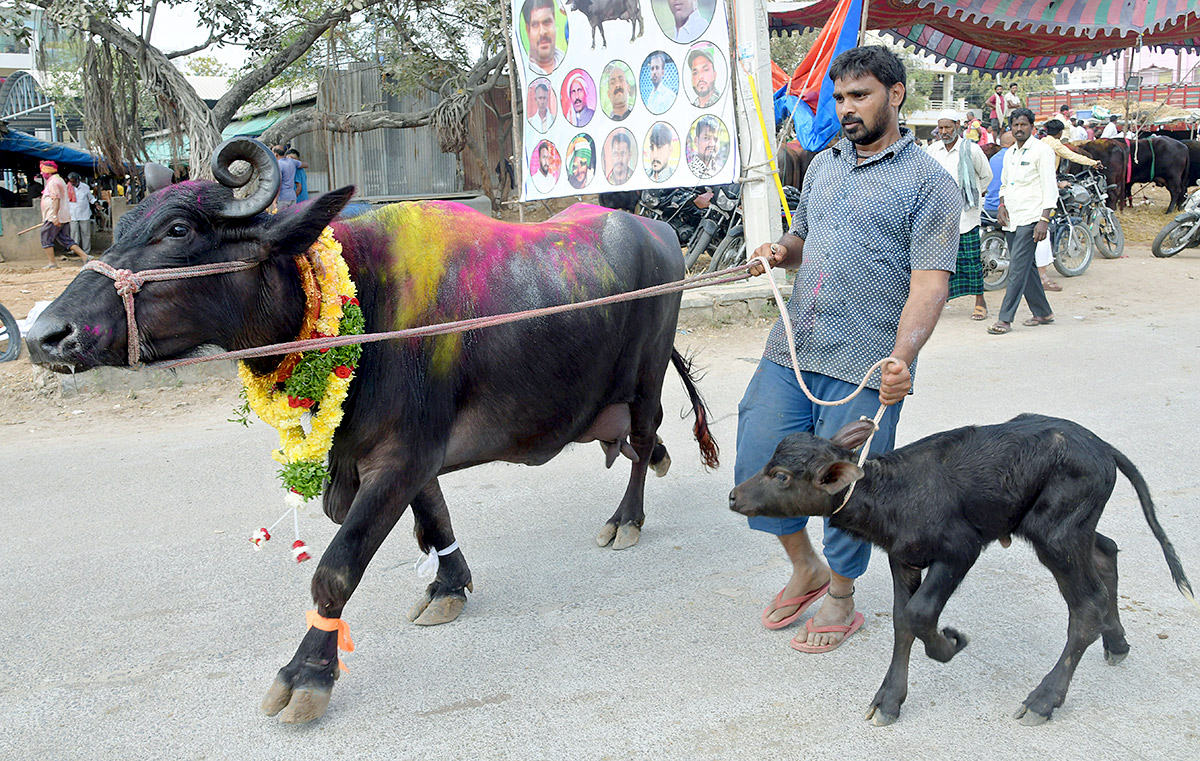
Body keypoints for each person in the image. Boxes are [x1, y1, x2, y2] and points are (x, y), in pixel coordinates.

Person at [742, 46, 960, 653]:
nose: (845, 108)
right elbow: (804, 238)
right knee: (757, 455)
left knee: (844, 487)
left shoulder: (931, 184)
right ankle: (804, 567)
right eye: (838, 98)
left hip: (863, 361)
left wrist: (903, 357)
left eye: (859, 95)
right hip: (795, 345)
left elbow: (931, 283)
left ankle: (840, 593)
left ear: (896, 94)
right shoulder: (822, 165)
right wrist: (781, 251)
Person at [989, 108, 1056, 335]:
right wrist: (1001, 205)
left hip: (1032, 218)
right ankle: (1043, 312)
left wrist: (1044, 220)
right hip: (1012, 218)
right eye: (1015, 125)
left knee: (1017, 268)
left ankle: (1005, 319)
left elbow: (1050, 188)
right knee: (1028, 267)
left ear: (1032, 127)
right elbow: (1005, 185)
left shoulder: (1042, 151)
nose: (1019, 129)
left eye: (1023, 125)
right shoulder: (1011, 154)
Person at [928, 111, 992, 321]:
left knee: (971, 260)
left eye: (948, 127)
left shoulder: (971, 149)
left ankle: (980, 302)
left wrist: (972, 198)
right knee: (940, 264)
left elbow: (986, 176)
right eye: (941, 128)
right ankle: (939, 303)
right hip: (940, 218)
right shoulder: (932, 150)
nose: (944, 132)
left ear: (957, 125)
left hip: (966, 217)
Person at [37, 160, 89, 269]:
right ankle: (85, 256)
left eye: (43, 171)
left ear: (48, 171)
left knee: (45, 236)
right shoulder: (58, 180)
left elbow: (56, 199)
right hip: (62, 215)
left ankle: (52, 263)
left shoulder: (53, 182)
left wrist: (54, 216)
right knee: (64, 238)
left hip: (54, 216)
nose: (42, 174)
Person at [523, 0, 563, 76]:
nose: (542, 32)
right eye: (535, 25)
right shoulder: (524, 70)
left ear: (554, 23)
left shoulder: (570, 62)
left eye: (547, 22)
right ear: (528, 30)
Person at [67, 172, 96, 258]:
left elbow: (90, 198)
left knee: (85, 233)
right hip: (72, 214)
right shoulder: (66, 188)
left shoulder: (85, 187)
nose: (72, 183)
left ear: (77, 180)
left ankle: (86, 251)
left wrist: (96, 203)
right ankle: (74, 251)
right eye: (71, 181)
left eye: (74, 181)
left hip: (84, 213)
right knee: (74, 233)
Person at [273, 145, 302, 210]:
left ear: (275, 154)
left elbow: (278, 184)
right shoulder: (292, 162)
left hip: (283, 198)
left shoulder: (278, 165)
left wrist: (274, 201)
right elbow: (304, 164)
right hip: (292, 196)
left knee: (282, 218)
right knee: (291, 218)